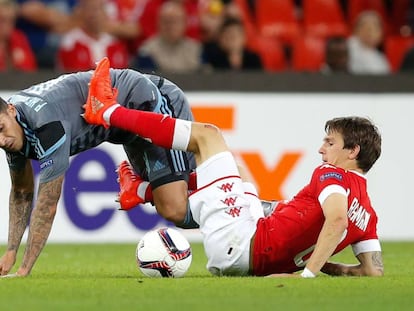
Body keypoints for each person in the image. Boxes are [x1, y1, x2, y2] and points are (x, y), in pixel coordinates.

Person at [82, 57, 384, 277]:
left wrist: (309, 274)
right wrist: (318, 264)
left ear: (353, 151)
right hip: (254, 250)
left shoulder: (331, 175)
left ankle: (106, 111)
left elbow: (337, 220)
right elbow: (372, 272)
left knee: (207, 136)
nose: (321, 148)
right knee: (240, 177)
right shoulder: (368, 215)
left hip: (242, 242)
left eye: (330, 143)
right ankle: (143, 190)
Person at [0, 59, 198, 277]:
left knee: (176, 208)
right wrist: (10, 252)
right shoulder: (13, 128)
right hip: (124, 127)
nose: (2, 140)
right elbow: (21, 192)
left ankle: (234, 206)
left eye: (1, 129)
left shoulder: (46, 125)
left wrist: (23, 271)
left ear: (11, 110)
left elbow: (47, 206)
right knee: (170, 205)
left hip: (148, 102)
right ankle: (146, 190)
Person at [57, 0, 130, 71]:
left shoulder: (115, 42)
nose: (95, 14)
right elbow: (72, 76)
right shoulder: (71, 41)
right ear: (82, 12)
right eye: (91, 9)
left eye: (99, 9)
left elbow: (122, 75)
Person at [133, 0, 202, 73]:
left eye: (175, 21)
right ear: (158, 23)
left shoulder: (196, 50)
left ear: (185, 23)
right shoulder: (147, 51)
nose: (170, 26)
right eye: (166, 22)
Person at [347, 10, 391, 75]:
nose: (371, 33)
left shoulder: (379, 56)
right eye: (368, 28)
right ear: (356, 30)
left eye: (376, 29)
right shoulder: (347, 48)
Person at [0, 0, 37, 71]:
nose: (7, 26)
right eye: (2, 20)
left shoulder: (18, 37)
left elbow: (30, 69)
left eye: (11, 20)